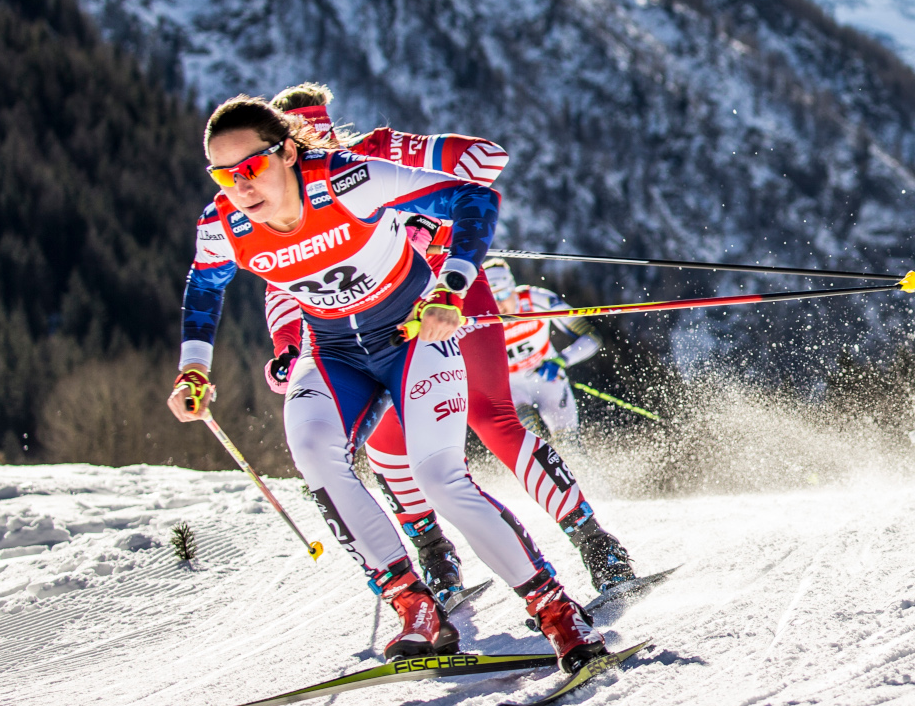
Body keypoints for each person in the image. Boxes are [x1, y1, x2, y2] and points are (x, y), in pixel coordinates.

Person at [172, 96, 606, 670]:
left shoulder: (347, 182)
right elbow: (205, 287)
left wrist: (450, 286)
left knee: (440, 477)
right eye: (223, 175)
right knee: (312, 452)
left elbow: (475, 196)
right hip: (332, 352)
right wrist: (194, 368)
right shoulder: (222, 223)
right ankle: (414, 605)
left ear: (289, 152)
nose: (239, 186)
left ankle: (557, 614)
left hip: (410, 340)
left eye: (250, 167)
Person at [260, 84, 636, 601]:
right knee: (388, 447)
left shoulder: (373, 154)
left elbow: (486, 159)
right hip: (377, 323)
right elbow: (279, 287)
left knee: (491, 417)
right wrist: (285, 345)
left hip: (449, 295)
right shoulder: (280, 206)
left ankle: (597, 545)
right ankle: (437, 557)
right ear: (284, 148)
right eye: (304, 135)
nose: (318, 142)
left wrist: (428, 201)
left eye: (322, 127)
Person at [482, 258, 601, 445]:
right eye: (491, 298)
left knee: (569, 444)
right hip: (512, 386)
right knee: (530, 441)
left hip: (548, 377)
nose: (499, 306)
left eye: (503, 294)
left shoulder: (537, 300)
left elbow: (592, 338)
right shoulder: (481, 317)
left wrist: (561, 360)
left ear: (513, 289)